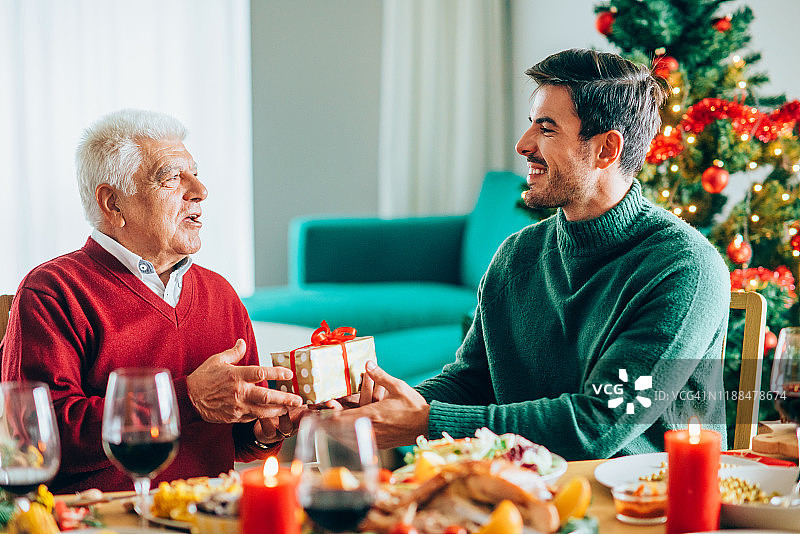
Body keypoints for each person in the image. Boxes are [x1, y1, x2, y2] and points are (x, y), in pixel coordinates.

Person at [332, 48, 730, 460]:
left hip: (643, 506)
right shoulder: (518, 255)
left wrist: (426, 423)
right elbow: (471, 381)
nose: (523, 145)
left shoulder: (684, 268)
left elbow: (598, 423)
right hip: (524, 492)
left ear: (606, 150)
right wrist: (395, 406)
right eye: (530, 126)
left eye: (547, 129)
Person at [1, 109, 304, 492]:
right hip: (103, 523)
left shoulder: (221, 294)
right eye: (172, 177)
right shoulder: (53, 291)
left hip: (207, 519)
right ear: (113, 204)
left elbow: (232, 439)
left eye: (195, 173)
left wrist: (264, 430)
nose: (199, 191)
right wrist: (187, 399)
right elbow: (29, 442)